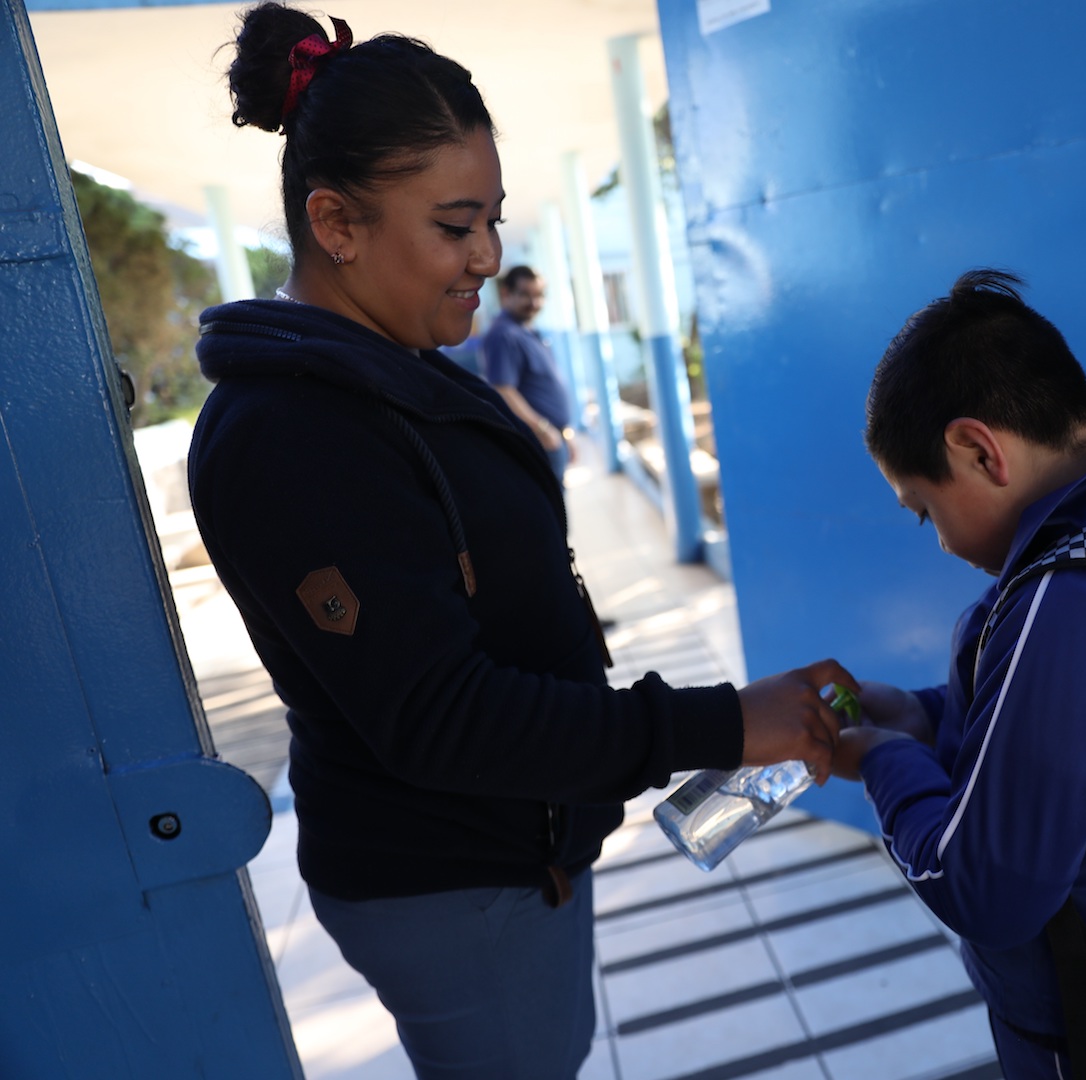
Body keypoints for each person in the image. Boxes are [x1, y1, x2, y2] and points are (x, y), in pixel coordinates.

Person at [193, 7, 853, 1077]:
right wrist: (722, 724)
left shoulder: (393, 370)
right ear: (336, 222)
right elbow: (441, 716)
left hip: (510, 852)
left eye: (493, 220)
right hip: (454, 883)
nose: (490, 258)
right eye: (455, 228)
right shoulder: (294, 434)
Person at [831, 269, 1086, 1080]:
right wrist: (921, 714)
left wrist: (879, 761)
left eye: (923, 507)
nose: (941, 541)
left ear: (978, 449)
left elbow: (988, 893)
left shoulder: (1073, 602)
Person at [480, 266, 575, 482]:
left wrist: (565, 432)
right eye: (525, 295)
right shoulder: (503, 335)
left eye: (539, 295)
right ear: (506, 293)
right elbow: (503, 390)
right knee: (550, 512)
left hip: (553, 436)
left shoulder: (527, 330)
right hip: (540, 440)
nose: (534, 303)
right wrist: (543, 429)